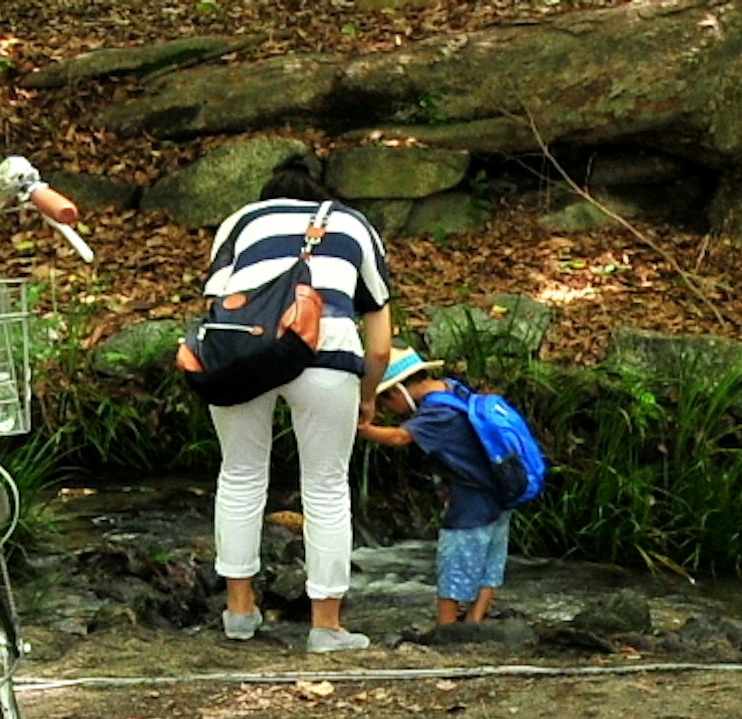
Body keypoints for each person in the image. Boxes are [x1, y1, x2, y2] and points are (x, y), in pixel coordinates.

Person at [197, 194, 393, 655]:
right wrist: (367, 396)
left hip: (243, 351)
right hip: (327, 349)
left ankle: (239, 611)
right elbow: (380, 345)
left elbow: (216, 303)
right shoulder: (354, 223)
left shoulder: (242, 218)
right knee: (325, 486)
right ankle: (326, 625)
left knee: (240, 473)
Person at [361, 351, 511, 641]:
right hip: (499, 489)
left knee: (454, 561)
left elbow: (399, 438)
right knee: (490, 561)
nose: (388, 409)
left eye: (385, 401)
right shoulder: (451, 388)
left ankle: (447, 630)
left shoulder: (434, 414)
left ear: (398, 391)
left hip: (470, 498)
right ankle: (475, 620)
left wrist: (363, 430)